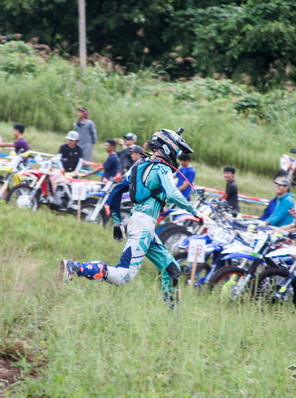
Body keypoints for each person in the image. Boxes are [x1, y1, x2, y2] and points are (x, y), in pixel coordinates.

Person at [60, 128, 205, 306]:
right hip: (143, 225)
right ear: (170, 147)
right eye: (177, 150)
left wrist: (116, 221)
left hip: (142, 224)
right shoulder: (161, 168)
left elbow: (116, 191)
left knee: (172, 269)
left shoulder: (140, 166)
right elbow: (173, 194)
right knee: (123, 275)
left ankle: (173, 316)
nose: (177, 154)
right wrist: (195, 211)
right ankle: (75, 268)